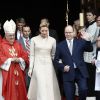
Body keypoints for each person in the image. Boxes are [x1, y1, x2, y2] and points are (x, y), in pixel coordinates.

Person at [54, 25, 93, 100]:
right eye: (66, 32)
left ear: (73, 33)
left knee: (83, 89)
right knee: (69, 96)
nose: (68, 34)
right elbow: (55, 60)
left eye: (70, 32)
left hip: (80, 71)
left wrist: (88, 40)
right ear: (64, 33)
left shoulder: (80, 42)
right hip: (68, 72)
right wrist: (63, 67)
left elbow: (90, 49)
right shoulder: (60, 45)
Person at [27, 22, 61, 100]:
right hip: (38, 64)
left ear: (48, 30)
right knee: (40, 83)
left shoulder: (53, 40)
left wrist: (58, 64)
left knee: (48, 84)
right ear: (40, 30)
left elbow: (53, 54)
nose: (44, 32)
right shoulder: (33, 39)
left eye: (46, 30)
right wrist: (31, 68)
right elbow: (32, 55)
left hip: (48, 65)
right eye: (43, 31)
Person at [0, 19, 29, 100]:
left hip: (19, 73)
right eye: (10, 36)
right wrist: (11, 60)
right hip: (8, 74)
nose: (12, 37)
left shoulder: (18, 44)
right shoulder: (2, 45)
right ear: (6, 35)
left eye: (13, 35)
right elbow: (0, 57)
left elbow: (25, 55)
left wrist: (19, 59)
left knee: (20, 92)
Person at [84, 9, 98, 96]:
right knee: (88, 78)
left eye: (89, 15)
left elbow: (92, 39)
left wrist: (83, 34)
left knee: (91, 79)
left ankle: (92, 96)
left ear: (94, 16)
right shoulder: (88, 25)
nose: (87, 17)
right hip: (86, 55)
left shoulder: (96, 25)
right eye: (87, 15)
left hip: (92, 55)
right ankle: (89, 96)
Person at [18, 25, 31, 91]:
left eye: (28, 31)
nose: (27, 33)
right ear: (22, 32)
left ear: (30, 31)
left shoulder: (33, 41)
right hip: (23, 68)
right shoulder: (17, 42)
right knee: (24, 87)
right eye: (25, 31)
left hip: (32, 67)